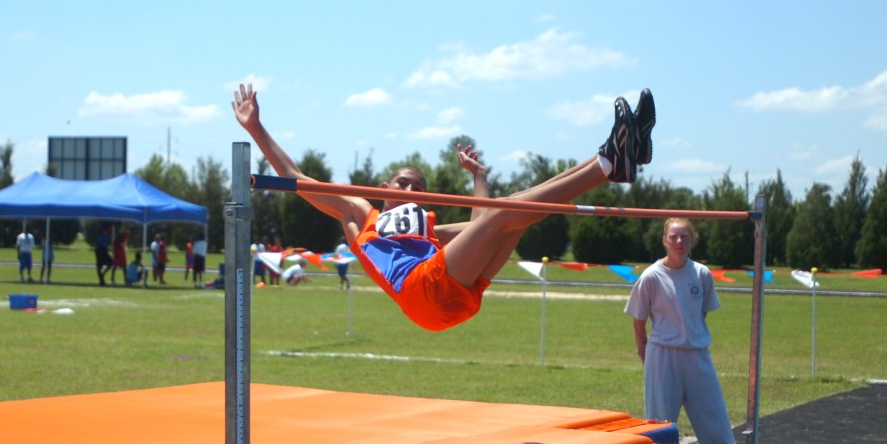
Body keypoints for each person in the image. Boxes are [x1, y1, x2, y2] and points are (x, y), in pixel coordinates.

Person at [233, 82, 654, 331]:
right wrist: (256, 127)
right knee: (505, 215)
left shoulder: (429, 232)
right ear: (384, 188)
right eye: (404, 183)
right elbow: (298, 179)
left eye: (419, 186)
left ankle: (617, 160)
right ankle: (608, 164)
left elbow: (483, 224)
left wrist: (479, 177)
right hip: (422, 290)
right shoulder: (362, 216)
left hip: (457, 294)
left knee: (511, 215)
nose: (412, 190)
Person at [624, 217, 762, 444]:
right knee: (660, 426)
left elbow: (700, 315)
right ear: (664, 239)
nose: (678, 242)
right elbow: (638, 319)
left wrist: (690, 338)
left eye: (684, 237)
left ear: (692, 240)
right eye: (673, 236)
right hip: (662, 355)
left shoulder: (701, 274)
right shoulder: (651, 276)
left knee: (716, 424)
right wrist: (643, 349)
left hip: (697, 356)